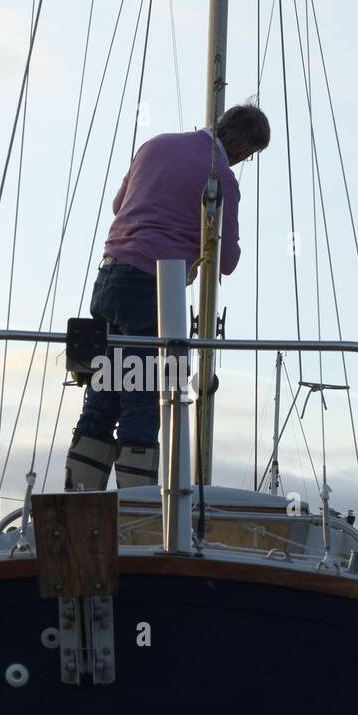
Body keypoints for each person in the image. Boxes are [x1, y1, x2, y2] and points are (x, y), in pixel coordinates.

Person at [64, 103, 271, 491]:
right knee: (143, 398)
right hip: (153, 289)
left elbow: (118, 206)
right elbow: (226, 261)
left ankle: (79, 502)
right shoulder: (221, 177)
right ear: (246, 152)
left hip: (109, 278)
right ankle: (135, 514)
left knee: (103, 390)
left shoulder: (155, 145)